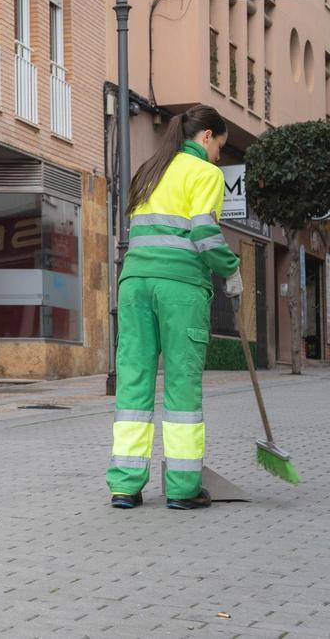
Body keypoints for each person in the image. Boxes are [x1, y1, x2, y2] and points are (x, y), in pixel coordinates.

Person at [107, 105, 243, 510]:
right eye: (220, 145)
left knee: (133, 383)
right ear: (206, 137)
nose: (220, 154)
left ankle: (125, 486)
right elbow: (204, 232)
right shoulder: (205, 173)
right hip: (178, 287)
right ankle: (183, 488)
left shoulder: (150, 170)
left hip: (133, 285)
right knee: (181, 385)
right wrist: (231, 269)